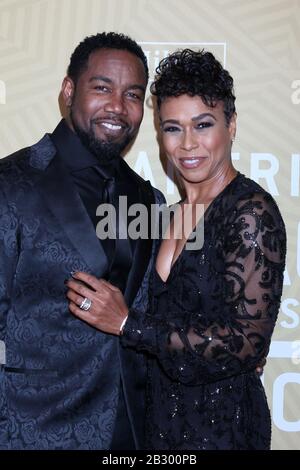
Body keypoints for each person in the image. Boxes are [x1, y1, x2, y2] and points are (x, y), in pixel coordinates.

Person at [67, 49, 286, 450]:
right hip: (155, 426)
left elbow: (244, 343)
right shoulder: (162, 216)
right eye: (172, 128)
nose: (188, 144)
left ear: (231, 125)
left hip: (223, 429)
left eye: (203, 125)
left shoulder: (250, 212)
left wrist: (126, 323)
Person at [0, 32, 164, 450]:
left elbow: (153, 310)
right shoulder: (11, 183)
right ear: (69, 90)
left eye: (132, 94)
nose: (117, 107)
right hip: (33, 428)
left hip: (130, 431)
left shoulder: (148, 198)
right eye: (102, 87)